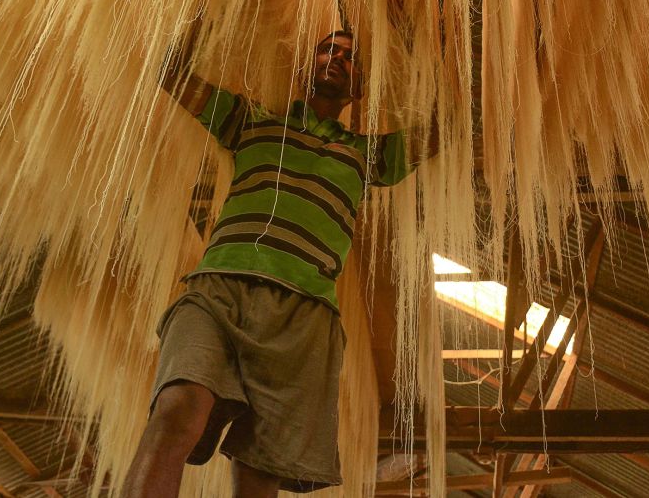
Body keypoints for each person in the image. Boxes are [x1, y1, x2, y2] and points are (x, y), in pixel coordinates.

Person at [122, 28, 434, 497]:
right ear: (307, 68)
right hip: (219, 288)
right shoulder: (252, 121)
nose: (336, 58)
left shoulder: (371, 156)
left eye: (349, 57)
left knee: (260, 471)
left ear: (361, 87)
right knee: (176, 410)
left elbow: (447, 128)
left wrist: (411, 35)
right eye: (327, 49)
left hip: (304, 314)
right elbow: (173, 75)